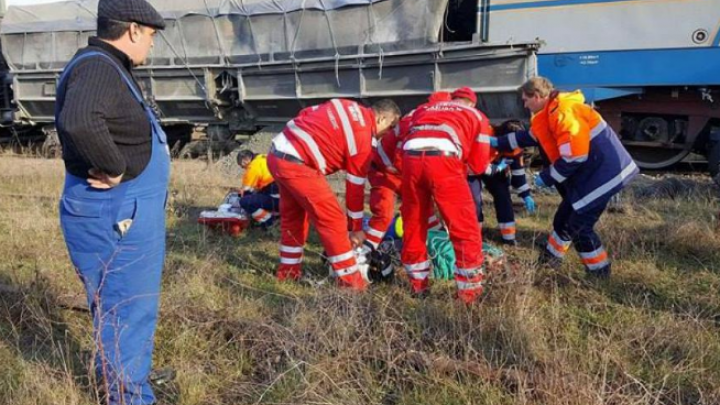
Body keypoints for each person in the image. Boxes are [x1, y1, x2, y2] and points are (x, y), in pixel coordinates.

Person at [55, 0, 168, 404]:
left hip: (122, 212)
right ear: (134, 30)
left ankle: (125, 378)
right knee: (128, 311)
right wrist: (114, 167)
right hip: (118, 213)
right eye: (151, 36)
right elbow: (81, 120)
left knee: (120, 310)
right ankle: (128, 395)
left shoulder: (105, 66)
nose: (151, 45)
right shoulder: (99, 67)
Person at [492, 77, 638, 277]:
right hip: (593, 174)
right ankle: (550, 260)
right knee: (563, 220)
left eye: (525, 100)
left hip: (603, 175)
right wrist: (494, 142)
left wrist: (548, 177)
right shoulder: (549, 113)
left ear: (537, 96)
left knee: (580, 227)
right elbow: (525, 137)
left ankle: (600, 273)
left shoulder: (563, 112)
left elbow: (575, 157)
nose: (524, 104)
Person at [267, 98, 400, 289]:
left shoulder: (347, 105)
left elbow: (307, 113)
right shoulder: (364, 139)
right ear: (381, 119)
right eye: (390, 127)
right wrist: (355, 228)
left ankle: (288, 273)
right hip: (298, 164)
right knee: (334, 220)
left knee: (294, 218)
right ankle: (351, 283)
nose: (386, 135)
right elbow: (354, 187)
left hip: (277, 153)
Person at [400, 87, 492, 303]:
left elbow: (404, 131)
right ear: (472, 103)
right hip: (444, 159)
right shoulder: (477, 115)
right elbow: (478, 166)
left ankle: (418, 286)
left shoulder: (425, 108)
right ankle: (469, 295)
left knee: (414, 224)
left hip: (410, 158)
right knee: (464, 227)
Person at [364, 92, 451, 250]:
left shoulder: (431, 120)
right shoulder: (415, 121)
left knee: (424, 206)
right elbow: (400, 157)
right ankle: (364, 252)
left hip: (401, 170)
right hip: (385, 171)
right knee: (384, 213)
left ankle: (438, 240)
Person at [468, 120, 536, 246]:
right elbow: (474, 164)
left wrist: (526, 194)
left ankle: (508, 237)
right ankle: (474, 238)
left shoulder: (516, 147)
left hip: (496, 167)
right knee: (474, 201)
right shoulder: (484, 136)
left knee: (503, 196)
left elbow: (518, 173)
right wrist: (496, 168)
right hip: (472, 168)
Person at [236, 149, 279, 228]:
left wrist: (239, 196)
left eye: (242, 165)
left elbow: (246, 192)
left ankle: (270, 221)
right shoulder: (264, 157)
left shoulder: (253, 167)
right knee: (259, 195)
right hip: (286, 196)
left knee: (245, 202)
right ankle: (277, 214)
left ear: (246, 160)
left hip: (277, 199)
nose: (243, 168)